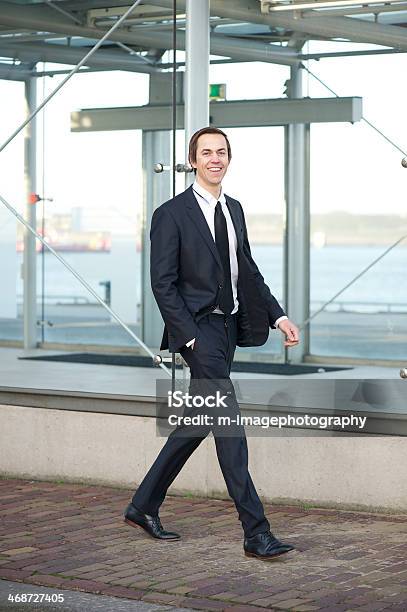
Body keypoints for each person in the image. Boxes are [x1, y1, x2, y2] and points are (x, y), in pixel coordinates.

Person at [124, 127, 300, 560]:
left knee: (198, 421)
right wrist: (188, 338)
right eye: (207, 152)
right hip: (197, 333)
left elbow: (248, 273)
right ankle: (256, 531)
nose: (215, 159)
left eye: (221, 152)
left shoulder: (234, 210)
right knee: (228, 424)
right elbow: (162, 284)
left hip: (229, 329)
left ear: (228, 159)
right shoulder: (172, 214)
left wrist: (278, 315)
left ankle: (143, 505)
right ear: (193, 160)